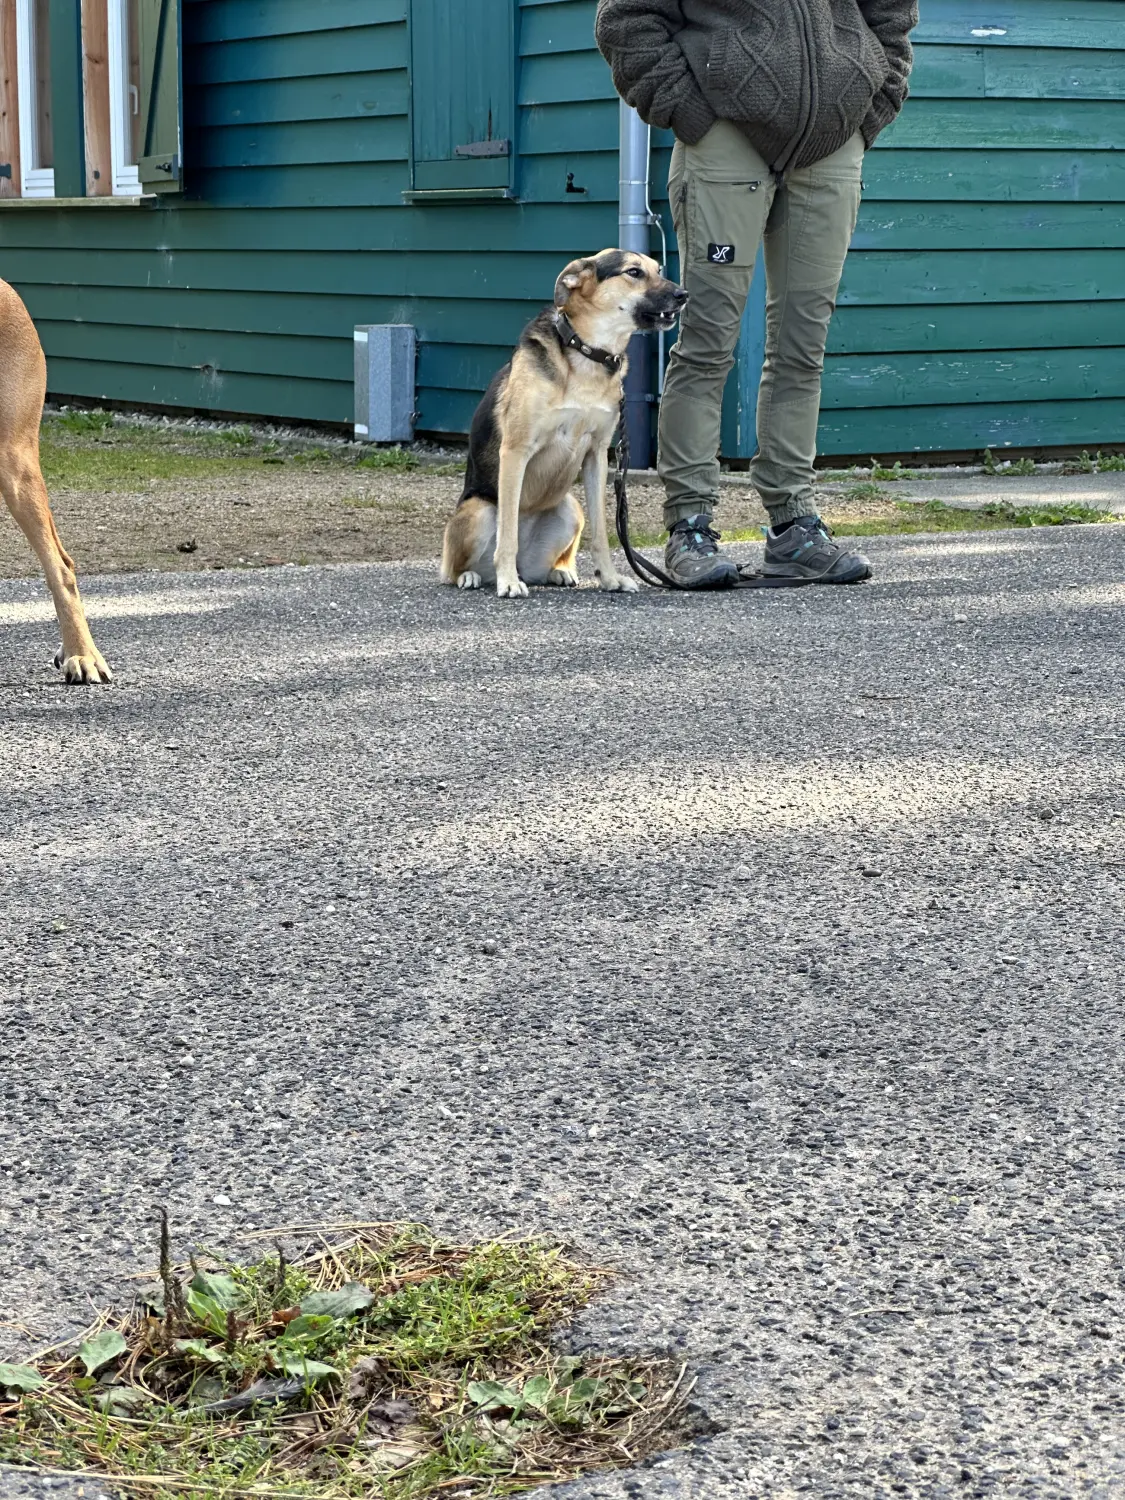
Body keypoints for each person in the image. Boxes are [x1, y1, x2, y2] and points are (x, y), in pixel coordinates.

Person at [595, 0, 918, 588]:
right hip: (723, 139)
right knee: (707, 338)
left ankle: (794, 527)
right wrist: (691, 113)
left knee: (803, 344)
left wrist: (871, 104)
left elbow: (892, 14)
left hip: (833, 144)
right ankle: (689, 525)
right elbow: (626, 19)